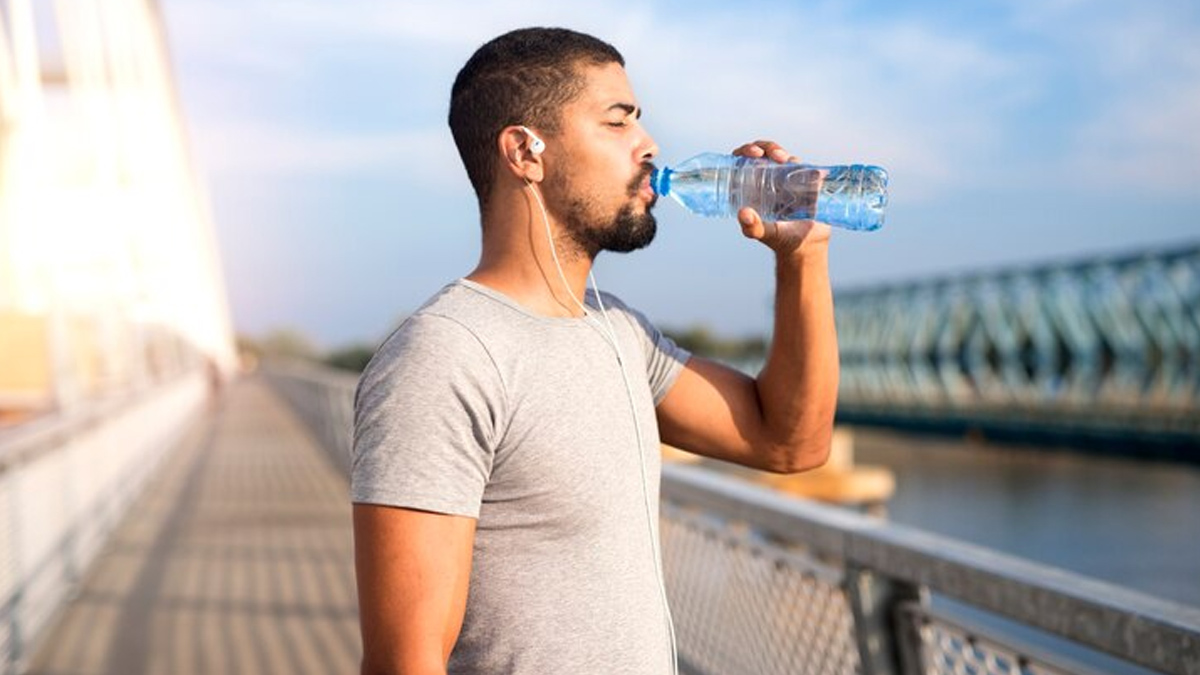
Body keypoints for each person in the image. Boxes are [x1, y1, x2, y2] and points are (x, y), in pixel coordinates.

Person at [351, 27, 839, 675]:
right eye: (618, 122)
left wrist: (802, 256)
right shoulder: (444, 358)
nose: (649, 145)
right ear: (526, 151)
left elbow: (789, 441)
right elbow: (403, 664)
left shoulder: (620, 333)